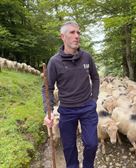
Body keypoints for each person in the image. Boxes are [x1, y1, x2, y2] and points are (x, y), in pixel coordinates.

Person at [42, 21, 100, 168]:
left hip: (87, 107)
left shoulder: (86, 57)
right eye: (72, 33)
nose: (77, 36)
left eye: (78, 33)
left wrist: (94, 99)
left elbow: (95, 77)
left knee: (92, 144)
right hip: (67, 110)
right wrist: (47, 113)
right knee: (68, 148)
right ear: (63, 36)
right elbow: (47, 88)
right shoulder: (54, 62)